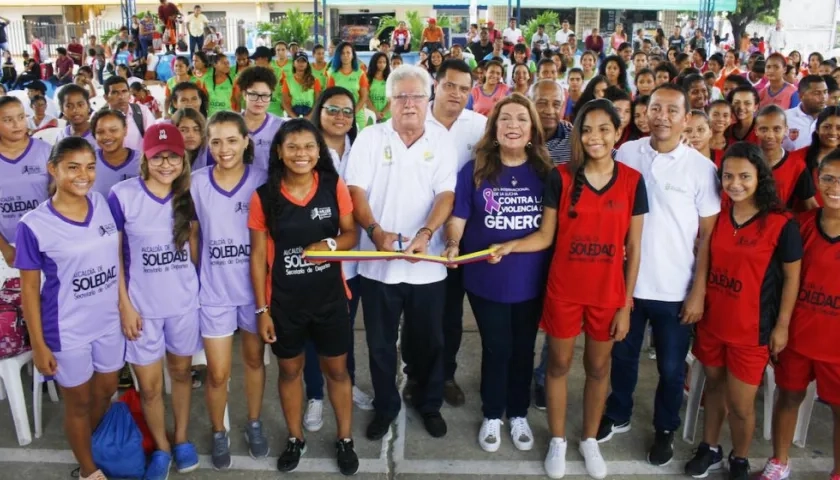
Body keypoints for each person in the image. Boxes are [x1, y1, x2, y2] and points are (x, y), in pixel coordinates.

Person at [492, 98, 645, 478]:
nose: (595, 137)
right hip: (565, 290)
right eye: (587, 129)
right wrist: (511, 244)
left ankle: (589, 439)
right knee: (558, 365)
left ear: (617, 133)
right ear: (576, 134)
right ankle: (558, 439)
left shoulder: (632, 181)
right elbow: (545, 236)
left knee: (598, 367)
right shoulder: (560, 178)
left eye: (604, 129)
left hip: (607, 294)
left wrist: (625, 305)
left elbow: (635, 248)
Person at [598, 84, 721, 469]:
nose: (662, 117)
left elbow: (708, 239)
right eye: (655, 108)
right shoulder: (628, 153)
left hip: (675, 289)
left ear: (686, 119)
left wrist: (697, 292)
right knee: (623, 356)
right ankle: (618, 412)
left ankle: (665, 427)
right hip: (627, 285)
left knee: (670, 368)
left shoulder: (702, 169)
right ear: (644, 113)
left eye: (672, 111)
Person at [345, 64, 457, 441]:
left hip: (427, 264)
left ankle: (428, 402)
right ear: (389, 101)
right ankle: (386, 405)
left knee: (429, 342)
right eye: (401, 96)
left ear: (429, 100)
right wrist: (375, 232)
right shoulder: (370, 138)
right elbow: (355, 191)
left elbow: (446, 194)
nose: (409, 104)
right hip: (378, 266)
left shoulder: (441, 139)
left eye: (417, 96)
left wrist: (426, 233)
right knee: (379, 344)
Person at [684, 142, 802, 480]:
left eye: (745, 176)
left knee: (740, 404)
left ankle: (740, 456)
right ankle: (710, 448)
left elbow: (792, 279)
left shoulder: (781, 224)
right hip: (713, 321)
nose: (735, 183)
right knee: (714, 388)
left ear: (760, 177)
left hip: (751, 331)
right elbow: (704, 259)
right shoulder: (718, 215)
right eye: (728, 176)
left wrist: (782, 326)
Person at [442, 93, 552, 454]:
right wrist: (454, 243)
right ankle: (492, 412)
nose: (513, 126)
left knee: (523, 348)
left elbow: (551, 230)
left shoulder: (545, 174)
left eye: (521, 119)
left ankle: (517, 412)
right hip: (485, 279)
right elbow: (458, 218)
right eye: (505, 119)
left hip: (531, 278)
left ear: (532, 129)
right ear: (494, 128)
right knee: (497, 345)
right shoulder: (474, 170)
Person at [249, 119, 360, 475]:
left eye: (309, 147)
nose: (301, 154)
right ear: (279, 152)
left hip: (329, 300)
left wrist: (329, 244)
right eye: (293, 147)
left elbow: (350, 235)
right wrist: (262, 310)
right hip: (285, 305)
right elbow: (257, 256)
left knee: (338, 372)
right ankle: (295, 438)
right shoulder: (264, 197)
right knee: (290, 371)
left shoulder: (332, 185)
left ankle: (345, 438)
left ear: (319, 152)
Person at [16, 137, 123, 480]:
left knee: (106, 390)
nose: (83, 175)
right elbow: (29, 290)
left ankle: (90, 443)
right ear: (53, 169)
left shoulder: (102, 203)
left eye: (90, 167)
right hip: (67, 330)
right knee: (77, 403)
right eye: (73, 167)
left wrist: (124, 306)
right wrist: (39, 344)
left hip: (108, 322)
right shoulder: (33, 225)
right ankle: (88, 469)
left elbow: (116, 258)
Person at [109, 123, 200, 480]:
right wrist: (124, 305)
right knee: (148, 387)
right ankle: (161, 447)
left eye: (173, 157)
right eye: (157, 156)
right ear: (145, 158)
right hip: (141, 310)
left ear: (183, 160)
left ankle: (180, 438)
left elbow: (195, 252)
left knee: (180, 374)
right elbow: (114, 256)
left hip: (182, 306)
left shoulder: (188, 196)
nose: (166, 164)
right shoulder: (122, 195)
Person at [188, 111, 270, 469]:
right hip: (215, 292)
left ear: (246, 141)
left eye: (232, 140)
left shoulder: (262, 181)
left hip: (253, 293)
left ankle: (253, 422)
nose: (224, 149)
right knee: (218, 372)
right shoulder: (195, 182)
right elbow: (192, 236)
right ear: (208, 143)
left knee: (253, 361)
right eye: (216, 141)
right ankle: (218, 430)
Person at [412, 59, 488, 407]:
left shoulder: (480, 127)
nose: (456, 94)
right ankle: (415, 376)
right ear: (435, 86)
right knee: (417, 314)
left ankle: (445, 375)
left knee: (451, 315)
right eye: (449, 86)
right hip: (418, 234)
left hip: (459, 240)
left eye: (463, 88)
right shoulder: (412, 118)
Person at [300, 87, 376, 430]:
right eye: (333, 109)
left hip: (354, 259)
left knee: (344, 330)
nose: (341, 117)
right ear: (320, 111)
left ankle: (347, 382)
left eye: (347, 111)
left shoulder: (361, 149)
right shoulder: (307, 150)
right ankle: (316, 394)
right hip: (318, 258)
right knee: (315, 333)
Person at [762, 149, 840, 480]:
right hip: (797, 335)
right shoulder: (801, 225)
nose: (834, 186)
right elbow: (782, 281)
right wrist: (779, 328)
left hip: (835, 346)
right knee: (788, 397)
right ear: (817, 180)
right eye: (828, 178)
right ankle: (779, 461)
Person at [0, 97, 52, 269]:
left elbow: (58, 196)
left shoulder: (45, 151)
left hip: (45, 240)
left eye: (21, 117)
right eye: (8, 120)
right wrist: (5, 248)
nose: (17, 124)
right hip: (6, 247)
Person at [235, 66, 284, 172]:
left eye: (265, 95)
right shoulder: (231, 124)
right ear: (244, 94)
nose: (259, 101)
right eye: (253, 94)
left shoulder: (280, 127)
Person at [90, 109, 141, 197]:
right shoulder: (88, 161)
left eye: (113, 130)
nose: (107, 136)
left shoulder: (142, 161)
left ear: (125, 130)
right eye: (100, 132)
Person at [102, 76, 156, 152]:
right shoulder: (100, 119)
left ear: (130, 94)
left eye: (124, 91)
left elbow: (153, 139)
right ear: (106, 97)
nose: (121, 96)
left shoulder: (142, 112)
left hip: (139, 163)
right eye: (115, 92)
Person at [328, 42, 370, 133]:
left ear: (353, 55)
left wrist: (353, 112)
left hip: (357, 111)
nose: (345, 55)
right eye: (342, 53)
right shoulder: (333, 74)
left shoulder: (360, 73)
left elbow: (364, 97)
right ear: (338, 56)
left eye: (348, 53)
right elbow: (329, 97)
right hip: (338, 113)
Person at [802, 107, 840, 206]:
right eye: (827, 127)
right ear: (817, 129)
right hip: (806, 218)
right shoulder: (798, 158)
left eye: (839, 128)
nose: (833, 132)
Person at [784, 75, 829, 151]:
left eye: (825, 92)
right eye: (817, 93)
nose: (823, 97)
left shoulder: (833, 117)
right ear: (801, 96)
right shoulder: (785, 118)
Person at [55, 84, 97, 149]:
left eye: (80, 105)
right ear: (62, 109)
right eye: (69, 106)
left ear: (88, 106)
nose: (75, 110)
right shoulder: (61, 136)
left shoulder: (98, 133)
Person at [282, 52, 322, 119]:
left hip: (310, 115)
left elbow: (317, 101)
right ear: (294, 63)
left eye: (303, 61)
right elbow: (285, 102)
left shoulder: (315, 80)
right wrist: (294, 117)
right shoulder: (287, 80)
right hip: (293, 114)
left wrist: (309, 117)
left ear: (307, 64)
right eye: (298, 61)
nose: (301, 63)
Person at [366, 52, 391, 123]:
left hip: (387, 116)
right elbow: (366, 98)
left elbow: (392, 99)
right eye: (379, 62)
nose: (382, 64)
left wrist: (383, 113)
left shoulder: (389, 79)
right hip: (371, 115)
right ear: (374, 63)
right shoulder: (367, 79)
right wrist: (376, 112)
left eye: (384, 62)